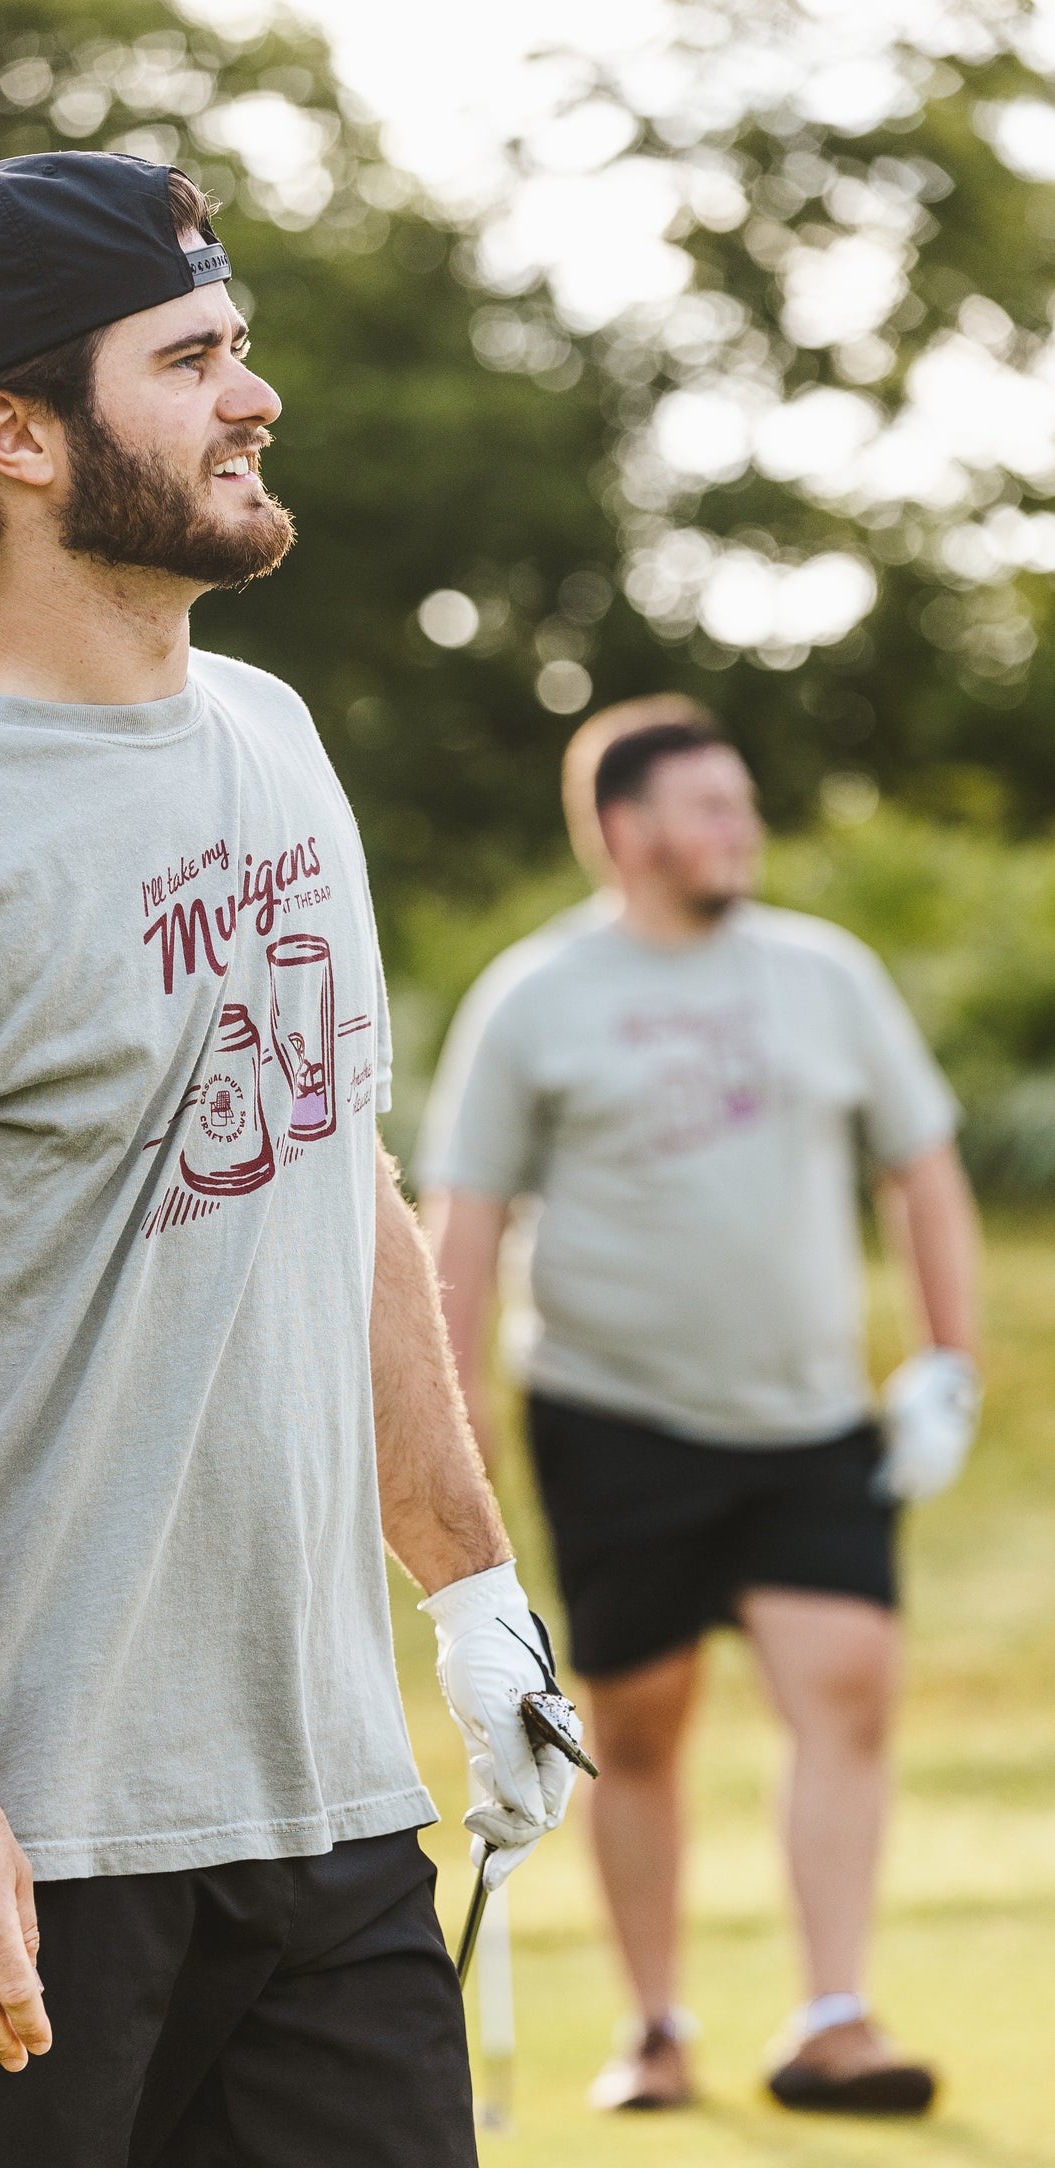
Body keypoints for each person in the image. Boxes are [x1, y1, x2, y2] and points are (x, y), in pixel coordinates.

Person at [0, 152, 579, 2168]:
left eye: (236, 347)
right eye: (190, 360)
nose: (253, 396)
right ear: (13, 430)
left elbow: (343, 1185)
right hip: (10, 1844)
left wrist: (474, 1594)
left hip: (326, 1808)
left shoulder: (276, 741)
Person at [419, 699, 982, 2115]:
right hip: (612, 1421)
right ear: (625, 831)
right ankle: (654, 2029)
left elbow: (919, 1169)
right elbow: (463, 1224)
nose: (742, 827)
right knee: (642, 1723)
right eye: (709, 806)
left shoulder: (824, 973)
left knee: (846, 1690)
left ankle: (833, 2019)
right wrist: (449, 1430)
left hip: (806, 1427)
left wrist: (944, 1362)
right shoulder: (535, 996)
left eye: (744, 803)